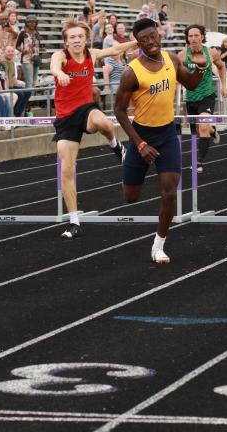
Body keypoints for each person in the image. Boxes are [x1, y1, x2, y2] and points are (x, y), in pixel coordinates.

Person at [113, 18, 205, 263]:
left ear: (159, 34)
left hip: (166, 134)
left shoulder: (172, 59)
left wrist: (203, 67)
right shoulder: (131, 72)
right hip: (141, 135)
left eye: (152, 37)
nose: (150, 43)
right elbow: (120, 112)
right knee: (130, 197)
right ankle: (129, 156)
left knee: (170, 192)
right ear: (138, 43)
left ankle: (158, 245)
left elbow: (192, 83)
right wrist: (140, 144)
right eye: (144, 40)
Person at [51, 20, 136, 239]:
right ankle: (74, 222)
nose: (77, 40)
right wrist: (59, 74)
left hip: (86, 109)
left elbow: (115, 49)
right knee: (67, 170)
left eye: (80, 36)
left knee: (105, 123)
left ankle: (116, 146)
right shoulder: (61, 56)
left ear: (85, 38)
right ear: (66, 41)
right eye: (72, 37)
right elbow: (54, 65)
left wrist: (137, 42)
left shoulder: (92, 53)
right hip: (66, 118)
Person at [183, 25, 227, 173]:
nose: (194, 39)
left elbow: (222, 67)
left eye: (197, 35)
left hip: (207, 96)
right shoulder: (182, 55)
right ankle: (213, 130)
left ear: (202, 37)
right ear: (187, 38)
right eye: (191, 36)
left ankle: (199, 163)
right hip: (190, 98)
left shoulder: (211, 53)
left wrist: (223, 86)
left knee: (202, 126)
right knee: (197, 130)